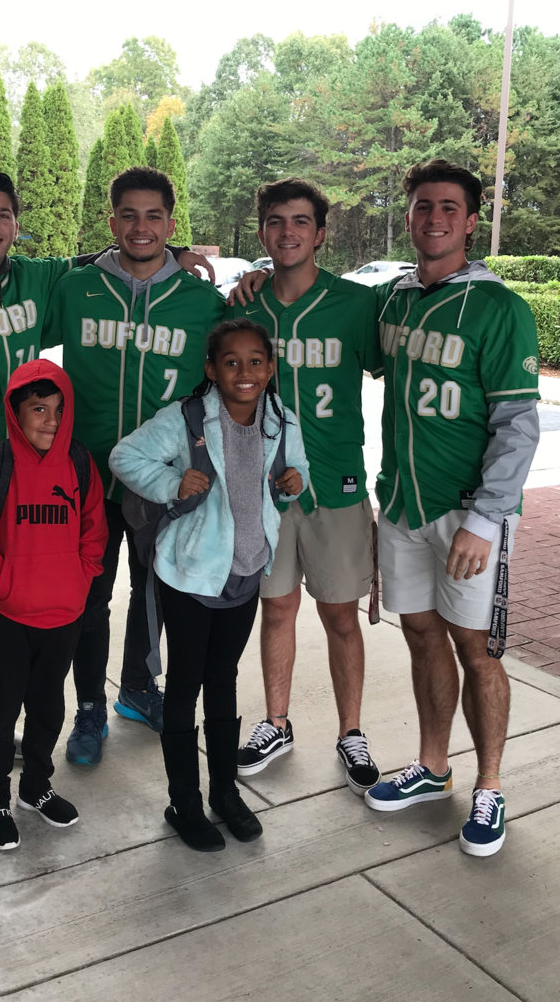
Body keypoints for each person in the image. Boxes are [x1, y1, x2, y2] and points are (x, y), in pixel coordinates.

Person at [0, 169, 206, 796]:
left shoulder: (35, 280)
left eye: (3, 215)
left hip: (18, 482)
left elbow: (116, 258)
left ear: (17, 225)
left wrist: (176, 257)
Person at [363, 159, 541, 858]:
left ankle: (489, 783)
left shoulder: (500, 308)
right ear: (408, 217)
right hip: (404, 505)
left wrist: (486, 517)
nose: (433, 218)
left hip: (469, 515)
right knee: (421, 634)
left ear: (470, 220)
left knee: (478, 647)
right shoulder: (396, 301)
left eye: (448, 207)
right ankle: (433, 768)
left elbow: (518, 427)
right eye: (421, 206)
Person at [40, 167, 227, 767]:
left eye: (154, 217)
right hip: (86, 475)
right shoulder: (75, 289)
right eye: (129, 215)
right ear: (111, 220)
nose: (140, 227)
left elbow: (234, 377)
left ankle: (139, 690)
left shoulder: (204, 304)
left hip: (163, 480)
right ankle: (90, 707)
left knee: (154, 594)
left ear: (171, 225)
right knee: (89, 599)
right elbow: (7, 285)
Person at [109, 320, 309, 851]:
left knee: (224, 678)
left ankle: (223, 791)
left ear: (270, 368)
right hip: (191, 574)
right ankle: (184, 801)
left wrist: (294, 483)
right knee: (185, 684)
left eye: (256, 362)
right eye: (231, 362)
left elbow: (297, 471)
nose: (244, 372)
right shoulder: (187, 418)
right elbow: (124, 456)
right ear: (211, 369)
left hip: (244, 573)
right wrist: (170, 482)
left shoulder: (282, 420)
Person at [226, 179, 382, 796]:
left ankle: (351, 732)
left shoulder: (355, 304)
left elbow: (396, 367)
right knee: (277, 607)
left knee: (340, 614)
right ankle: (277, 722)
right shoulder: (244, 309)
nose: (286, 231)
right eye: (274, 221)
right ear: (262, 232)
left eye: (299, 221)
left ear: (321, 233)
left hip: (336, 484)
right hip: (264, 488)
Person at [0, 359, 107, 850]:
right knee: (0, 714)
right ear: (15, 413)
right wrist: (2, 584)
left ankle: (36, 788)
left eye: (59, 410)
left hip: (62, 614)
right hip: (5, 615)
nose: (50, 421)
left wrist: (76, 582)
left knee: (47, 709)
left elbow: (94, 534)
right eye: (39, 409)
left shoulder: (80, 464)